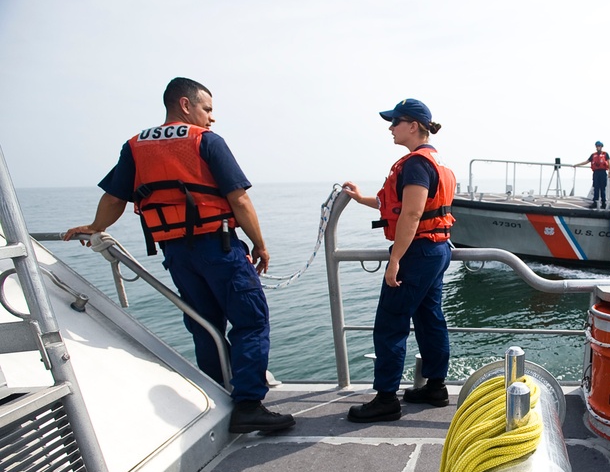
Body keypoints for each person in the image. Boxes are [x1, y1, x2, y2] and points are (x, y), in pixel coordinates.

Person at [63, 77, 295, 435]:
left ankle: (219, 399)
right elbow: (239, 199)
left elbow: (114, 198)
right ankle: (248, 404)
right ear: (185, 106)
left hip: (176, 253)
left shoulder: (135, 145)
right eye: (207, 109)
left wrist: (94, 227)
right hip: (218, 247)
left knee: (205, 326)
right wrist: (260, 245)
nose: (211, 118)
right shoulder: (206, 142)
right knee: (251, 322)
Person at [342, 99, 456, 423]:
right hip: (437, 248)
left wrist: (395, 260)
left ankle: (386, 398)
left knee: (391, 323)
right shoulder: (432, 162)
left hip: (417, 252)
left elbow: (412, 212)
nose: (390, 128)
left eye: (395, 122)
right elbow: (390, 203)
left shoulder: (416, 165)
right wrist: (359, 196)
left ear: (414, 126)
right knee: (429, 317)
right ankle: (435, 386)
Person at [576, 141, 610, 209]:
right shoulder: (593, 155)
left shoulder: (605, 154)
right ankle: (595, 202)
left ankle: (603, 203)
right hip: (596, 173)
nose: (598, 147)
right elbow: (586, 161)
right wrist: (577, 165)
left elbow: (609, 163)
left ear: (601, 146)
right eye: (597, 146)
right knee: (596, 188)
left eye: (599, 146)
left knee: (602, 188)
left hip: (603, 172)